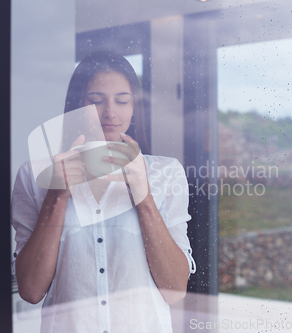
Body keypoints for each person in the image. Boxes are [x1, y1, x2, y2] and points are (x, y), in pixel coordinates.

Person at [11, 51, 195, 332]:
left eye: (122, 100)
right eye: (96, 101)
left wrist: (144, 197)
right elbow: (31, 290)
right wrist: (56, 197)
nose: (110, 112)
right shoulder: (33, 176)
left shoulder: (166, 173)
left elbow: (175, 290)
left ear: (134, 107)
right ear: (76, 106)